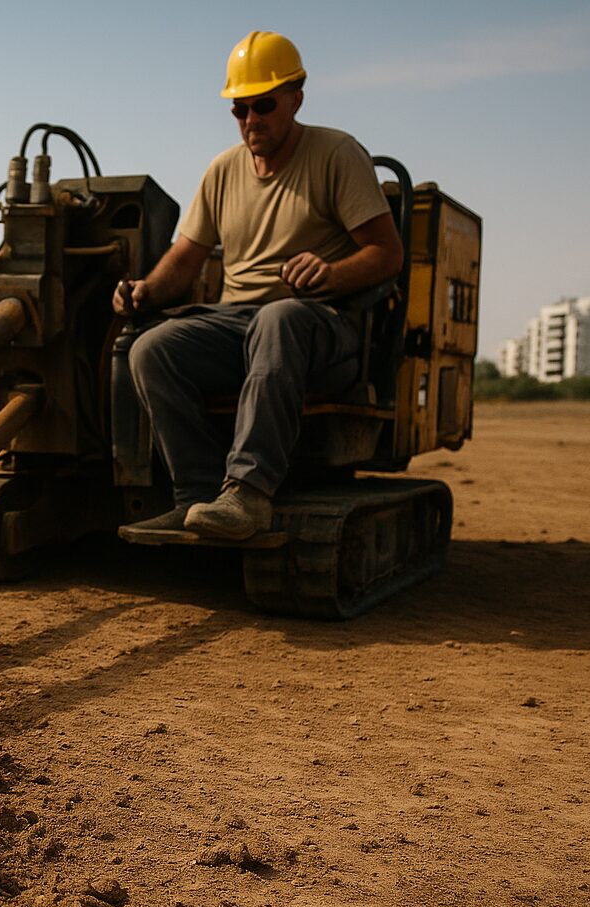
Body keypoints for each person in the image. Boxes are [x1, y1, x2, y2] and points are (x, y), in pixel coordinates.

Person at [115, 30, 402, 540]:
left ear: (295, 98)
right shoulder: (222, 171)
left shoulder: (336, 154)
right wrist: (145, 290)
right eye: (239, 109)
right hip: (236, 326)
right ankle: (197, 497)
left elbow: (388, 254)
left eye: (263, 105)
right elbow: (184, 258)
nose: (251, 120)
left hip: (321, 326)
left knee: (278, 316)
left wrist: (332, 274)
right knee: (150, 348)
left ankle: (249, 494)